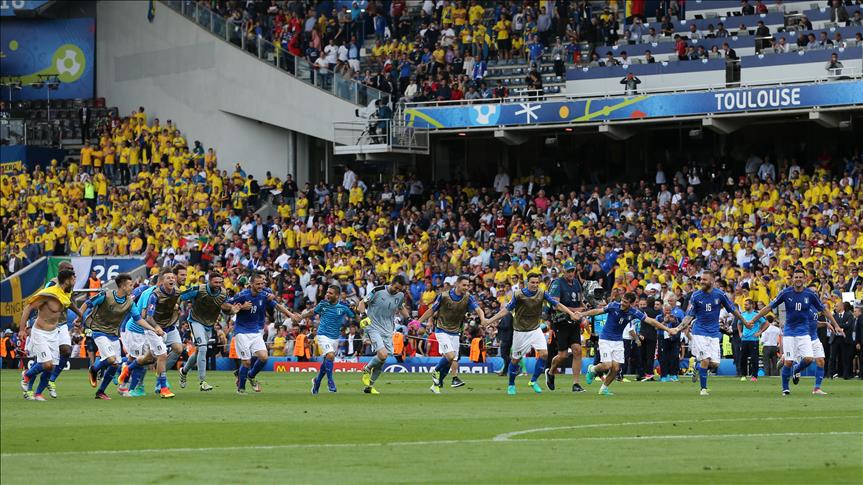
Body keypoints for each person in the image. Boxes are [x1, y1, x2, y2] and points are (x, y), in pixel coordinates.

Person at [747, 268, 843, 395]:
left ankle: (797, 370)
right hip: (789, 332)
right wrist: (754, 319)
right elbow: (769, 307)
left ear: (804, 279)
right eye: (796, 277)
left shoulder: (810, 294)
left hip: (804, 333)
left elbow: (824, 310)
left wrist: (835, 324)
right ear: (793, 279)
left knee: (809, 358)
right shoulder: (785, 293)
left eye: (800, 277)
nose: (798, 279)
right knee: (789, 361)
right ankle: (785, 388)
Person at [486, 272, 579, 395]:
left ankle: (533, 381)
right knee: (515, 359)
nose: (535, 285)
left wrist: (571, 313)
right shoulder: (518, 295)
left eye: (537, 282)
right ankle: (511, 384)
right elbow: (506, 310)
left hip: (535, 329)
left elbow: (557, 304)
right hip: (520, 331)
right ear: (527, 283)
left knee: (544, 354)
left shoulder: (542, 293)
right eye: (532, 282)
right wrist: (490, 320)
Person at [579, 292, 677, 395]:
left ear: (631, 303)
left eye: (625, 302)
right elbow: (598, 311)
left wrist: (668, 329)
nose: (622, 303)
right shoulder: (613, 305)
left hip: (618, 341)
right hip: (605, 338)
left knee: (616, 368)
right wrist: (582, 314)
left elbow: (651, 321)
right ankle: (592, 369)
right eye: (622, 300)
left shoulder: (634, 312)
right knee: (607, 365)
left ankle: (603, 388)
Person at [676, 270, 748, 396]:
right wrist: (678, 328)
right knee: (706, 359)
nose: (701, 282)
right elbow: (689, 316)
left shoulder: (720, 294)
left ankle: (697, 368)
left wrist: (744, 321)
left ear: (712, 281)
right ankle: (703, 389)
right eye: (701, 279)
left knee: (714, 364)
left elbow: (733, 310)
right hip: (700, 332)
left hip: (714, 333)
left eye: (705, 279)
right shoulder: (696, 296)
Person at [79, 273, 150, 400]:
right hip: (98, 331)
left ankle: (100, 392)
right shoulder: (106, 295)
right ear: (122, 286)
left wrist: (153, 328)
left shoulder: (129, 302)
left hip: (113, 333)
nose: (132, 288)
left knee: (115, 365)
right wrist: (80, 316)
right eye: (130, 285)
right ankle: (94, 369)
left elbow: (138, 319)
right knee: (111, 359)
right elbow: (88, 303)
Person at [228, 273, 299, 394]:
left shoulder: (264, 295)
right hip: (241, 331)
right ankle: (241, 389)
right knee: (246, 361)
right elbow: (227, 306)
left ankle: (250, 375)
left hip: (256, 331)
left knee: (264, 357)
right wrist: (240, 307)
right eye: (258, 284)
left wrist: (291, 315)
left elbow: (277, 306)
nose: (261, 286)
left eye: (262, 283)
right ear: (251, 284)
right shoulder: (242, 295)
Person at [416, 275, 486, 394]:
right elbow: (432, 310)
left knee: (452, 360)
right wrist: (418, 322)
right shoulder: (444, 296)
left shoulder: (468, 297)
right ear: (457, 284)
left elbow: (478, 309)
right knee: (450, 356)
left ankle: (439, 383)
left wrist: (483, 318)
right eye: (464, 285)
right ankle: (436, 370)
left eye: (468, 285)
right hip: (442, 330)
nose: (466, 287)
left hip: (455, 332)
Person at [19, 270, 76, 401]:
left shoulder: (66, 294)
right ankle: (26, 375)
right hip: (40, 332)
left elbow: (69, 305)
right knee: (47, 364)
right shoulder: (49, 293)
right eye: (73, 279)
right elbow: (28, 307)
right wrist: (22, 329)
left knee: (52, 367)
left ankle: (38, 393)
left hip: (54, 333)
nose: (75, 281)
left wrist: (80, 315)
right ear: (67, 280)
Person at [178, 272, 239, 392]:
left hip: (209, 324)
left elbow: (225, 308)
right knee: (203, 348)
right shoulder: (199, 289)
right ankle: (203, 381)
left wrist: (232, 310)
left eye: (220, 282)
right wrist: (176, 307)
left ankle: (183, 371)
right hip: (195, 320)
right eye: (215, 282)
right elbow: (181, 296)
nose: (218, 284)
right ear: (209, 281)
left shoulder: (223, 293)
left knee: (199, 352)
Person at [295, 284, 356, 394]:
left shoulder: (343, 307)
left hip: (335, 338)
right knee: (331, 355)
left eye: (330, 293)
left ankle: (317, 382)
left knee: (328, 360)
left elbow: (354, 317)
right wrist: (301, 316)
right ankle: (330, 381)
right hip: (322, 335)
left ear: (337, 296)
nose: (327, 294)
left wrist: (354, 308)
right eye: (327, 292)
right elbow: (312, 312)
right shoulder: (323, 304)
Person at [358, 275, 409, 394]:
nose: (397, 291)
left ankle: (369, 387)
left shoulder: (400, 295)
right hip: (373, 326)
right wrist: (363, 316)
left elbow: (401, 308)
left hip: (387, 330)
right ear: (392, 283)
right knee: (383, 354)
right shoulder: (377, 290)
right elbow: (362, 303)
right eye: (396, 288)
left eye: (399, 289)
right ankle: (367, 369)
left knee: (382, 359)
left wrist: (410, 319)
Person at [42, 261, 84, 398]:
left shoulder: (69, 284)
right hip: (48, 324)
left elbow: (69, 301)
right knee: (46, 359)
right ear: (61, 271)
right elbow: (41, 299)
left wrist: (79, 313)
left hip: (62, 323)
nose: (72, 271)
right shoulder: (52, 284)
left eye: (72, 269)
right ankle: (29, 375)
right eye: (69, 269)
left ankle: (52, 380)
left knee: (66, 351)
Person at [545, 260, 586, 393]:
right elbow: (555, 304)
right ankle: (550, 372)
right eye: (568, 270)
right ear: (563, 271)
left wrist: (582, 315)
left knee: (577, 350)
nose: (570, 273)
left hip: (574, 323)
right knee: (562, 355)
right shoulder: (557, 283)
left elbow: (581, 303)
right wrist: (575, 311)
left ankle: (576, 384)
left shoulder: (576, 283)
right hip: (561, 322)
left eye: (572, 270)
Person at [738, 299, 763, 382]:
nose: (745, 306)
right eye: (744, 305)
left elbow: (766, 323)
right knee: (742, 358)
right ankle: (743, 375)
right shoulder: (743, 314)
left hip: (753, 340)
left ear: (752, 305)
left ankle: (754, 376)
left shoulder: (757, 314)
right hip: (744, 339)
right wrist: (740, 333)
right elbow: (739, 323)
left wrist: (760, 332)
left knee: (754, 359)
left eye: (746, 305)